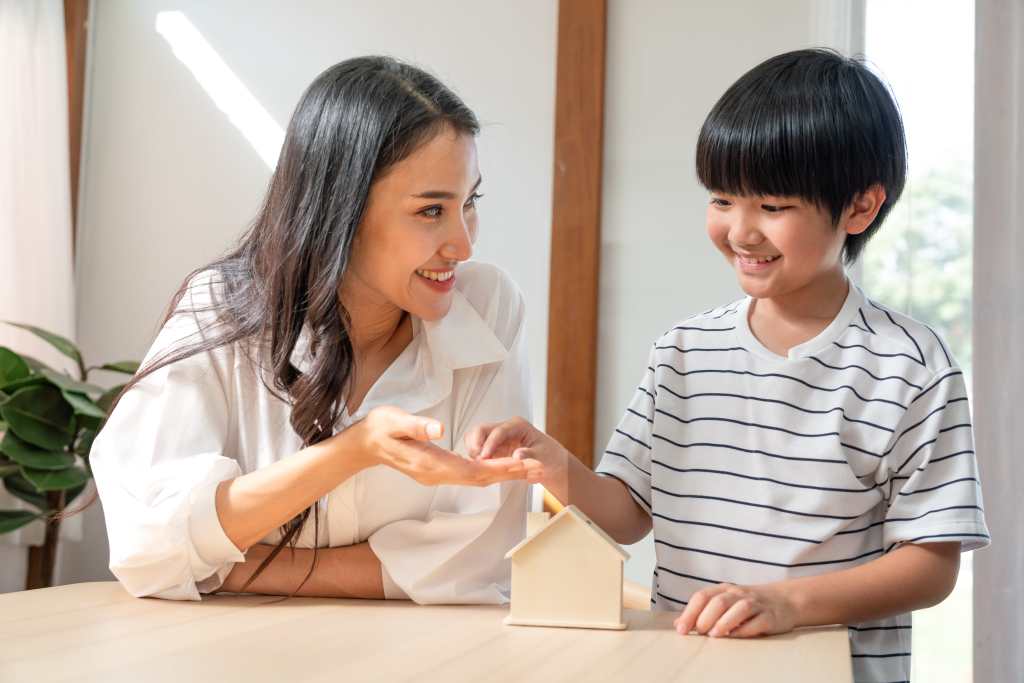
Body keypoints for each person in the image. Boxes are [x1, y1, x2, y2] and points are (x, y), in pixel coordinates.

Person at [468, 49, 989, 683]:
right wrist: (552, 464)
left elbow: (932, 566)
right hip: (684, 666)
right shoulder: (682, 352)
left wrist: (787, 605)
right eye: (722, 199)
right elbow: (628, 513)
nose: (740, 231)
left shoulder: (910, 366)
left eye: (772, 206)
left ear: (858, 208)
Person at [90, 56, 543, 604]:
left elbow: (476, 562)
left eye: (469, 203)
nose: (464, 245)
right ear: (340, 211)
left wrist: (227, 568)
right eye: (430, 211)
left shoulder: (487, 309)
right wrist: (353, 451)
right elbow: (147, 548)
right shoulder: (221, 309)